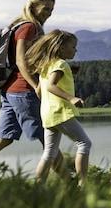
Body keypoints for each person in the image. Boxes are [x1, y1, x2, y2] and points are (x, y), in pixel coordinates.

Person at [0, 0, 56, 175]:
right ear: (33, 7)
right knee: (48, 140)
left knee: (2, 139)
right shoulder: (29, 27)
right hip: (23, 91)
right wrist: (35, 85)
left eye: (52, 9)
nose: (49, 12)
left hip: (10, 90)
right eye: (46, 8)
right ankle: (72, 184)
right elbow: (21, 61)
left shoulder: (19, 26)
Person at [26, 30, 92, 184]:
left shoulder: (47, 65)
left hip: (48, 114)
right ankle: (83, 184)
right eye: (73, 47)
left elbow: (40, 90)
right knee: (84, 143)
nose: (76, 50)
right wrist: (72, 98)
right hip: (60, 113)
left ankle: (38, 186)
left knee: (50, 152)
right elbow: (50, 86)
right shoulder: (60, 64)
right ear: (61, 48)